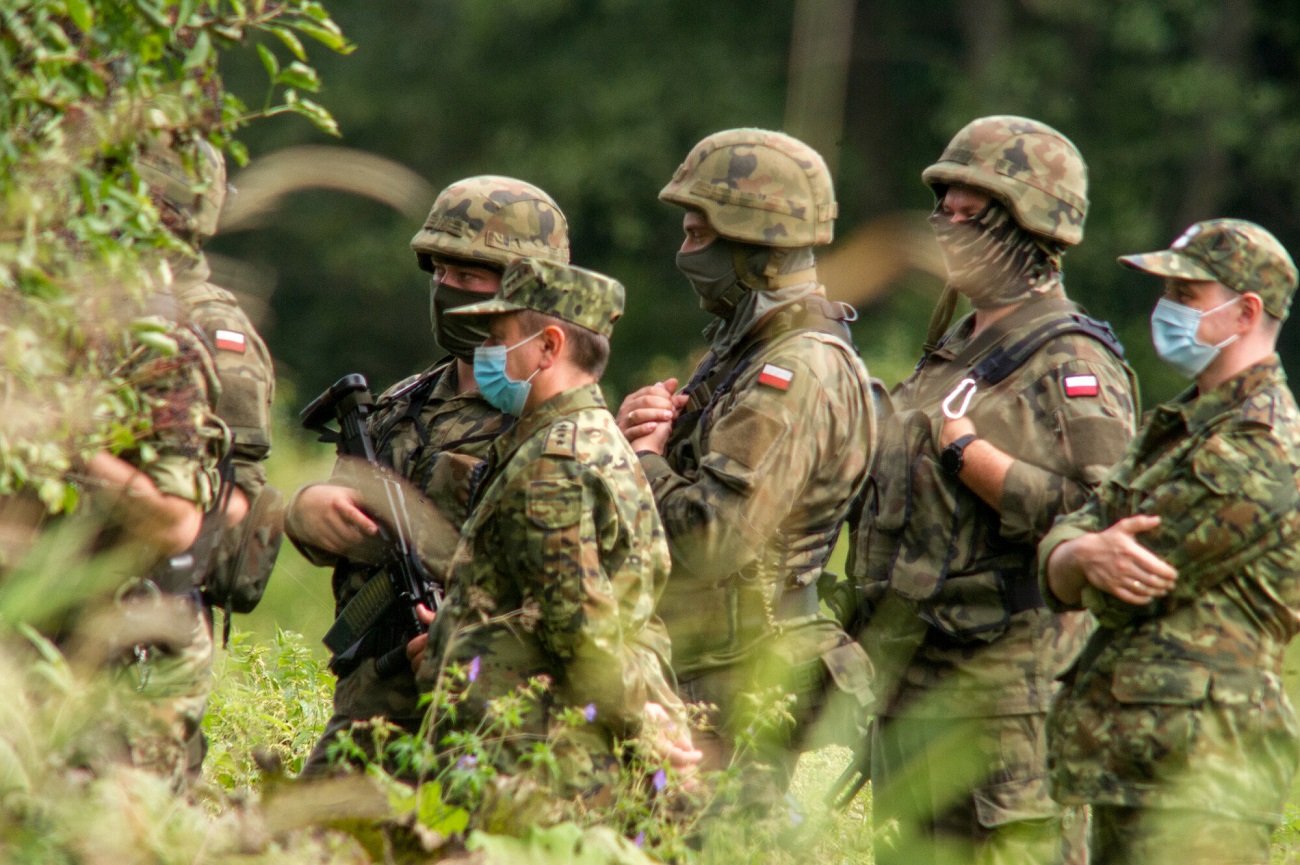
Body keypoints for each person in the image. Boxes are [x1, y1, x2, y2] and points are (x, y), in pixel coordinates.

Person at [848, 115, 1138, 864]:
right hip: (915, 693)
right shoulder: (957, 347)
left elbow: (1106, 521)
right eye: (940, 210)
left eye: (966, 215)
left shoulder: (1069, 362)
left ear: (1028, 224)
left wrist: (974, 459)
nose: (943, 228)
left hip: (1004, 710)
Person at [284, 176, 570, 776]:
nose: (446, 289)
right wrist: (309, 513)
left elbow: (582, 594)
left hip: (488, 717)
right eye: (439, 272)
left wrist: (472, 641)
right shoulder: (404, 402)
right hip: (371, 702)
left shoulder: (553, 422)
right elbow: (350, 532)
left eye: (469, 277)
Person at [615, 128, 875, 782]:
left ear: (753, 242)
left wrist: (645, 463)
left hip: (742, 689)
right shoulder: (746, 353)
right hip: (705, 674)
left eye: (699, 234)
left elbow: (713, 538)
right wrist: (634, 437)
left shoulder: (793, 370)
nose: (683, 252)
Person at [1040, 219, 1300, 865]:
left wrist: (1080, 557)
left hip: (1206, 775)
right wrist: (1074, 553)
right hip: (1133, 761)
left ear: (1245, 310)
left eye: (1188, 293)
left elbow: (1125, 589)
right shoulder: (1180, 423)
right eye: (1170, 292)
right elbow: (1075, 539)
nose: (1168, 309)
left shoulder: (1262, 443)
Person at [417, 257, 699, 794]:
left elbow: (579, 626)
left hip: (531, 762)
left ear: (548, 347)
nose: (485, 354)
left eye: (498, 338)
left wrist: (644, 720)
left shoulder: (555, 461)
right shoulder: (593, 436)